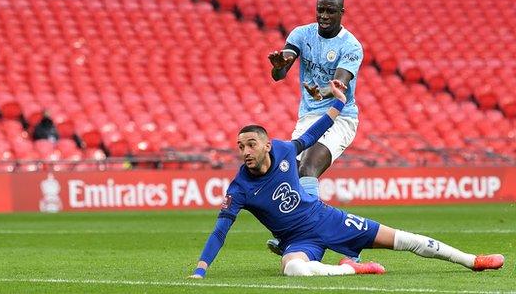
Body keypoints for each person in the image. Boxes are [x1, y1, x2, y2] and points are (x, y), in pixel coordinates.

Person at [188, 80, 503, 279]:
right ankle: (346, 269)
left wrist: (338, 106)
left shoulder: (284, 150)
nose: (245, 151)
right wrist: (200, 271)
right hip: (299, 241)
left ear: (267, 145)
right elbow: (220, 231)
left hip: (327, 219)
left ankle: (472, 260)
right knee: (294, 269)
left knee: (404, 240)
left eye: (251, 144)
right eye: (241, 146)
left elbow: (310, 136)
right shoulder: (239, 188)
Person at [266, 0, 362, 255]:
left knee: (308, 168)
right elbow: (281, 70)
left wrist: (325, 91)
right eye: (320, 9)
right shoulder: (301, 34)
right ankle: (292, 235)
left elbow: (341, 82)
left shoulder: (351, 46)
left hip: (339, 116)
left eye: (331, 11)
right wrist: (278, 65)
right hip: (308, 117)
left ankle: (307, 234)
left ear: (342, 13)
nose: (324, 15)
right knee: (287, 175)